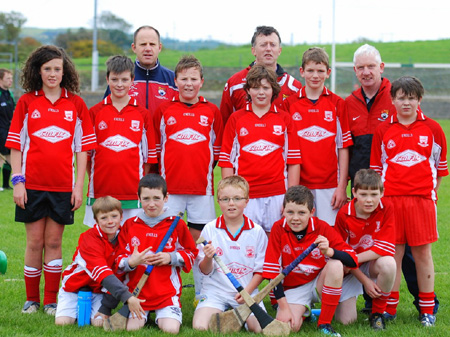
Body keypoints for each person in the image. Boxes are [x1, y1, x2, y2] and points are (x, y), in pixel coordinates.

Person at [345, 43, 438, 316]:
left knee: (413, 252)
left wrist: (428, 193)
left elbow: (436, 166)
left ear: (381, 68)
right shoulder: (349, 102)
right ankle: (377, 303)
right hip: (366, 188)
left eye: (371, 66)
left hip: (403, 189)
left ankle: (425, 304)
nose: (366, 72)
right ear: (354, 71)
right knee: (377, 246)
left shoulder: (396, 95)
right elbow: (346, 148)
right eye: (360, 67)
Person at [5, 45, 96, 315]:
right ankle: (31, 300)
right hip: (31, 186)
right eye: (47, 69)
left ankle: (51, 301)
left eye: (57, 68)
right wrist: (18, 182)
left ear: (64, 70)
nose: (53, 74)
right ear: (38, 71)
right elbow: (16, 147)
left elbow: (83, 150)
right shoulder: (26, 102)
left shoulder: (76, 104)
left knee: (54, 243)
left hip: (62, 188)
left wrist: (78, 186)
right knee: (34, 242)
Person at [370, 76, 448, 327]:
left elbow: (439, 170)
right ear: (392, 100)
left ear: (419, 100)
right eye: (401, 97)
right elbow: (376, 171)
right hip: (391, 201)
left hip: (421, 201)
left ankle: (427, 310)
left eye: (411, 98)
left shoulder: (433, 129)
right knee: (394, 254)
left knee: (423, 253)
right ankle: (389, 308)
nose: (406, 102)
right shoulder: (383, 130)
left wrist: (427, 194)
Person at [263, 185, 357, 337]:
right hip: (294, 288)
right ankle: (307, 312)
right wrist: (284, 306)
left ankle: (324, 323)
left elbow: (353, 259)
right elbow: (272, 273)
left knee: (347, 319)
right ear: (283, 210)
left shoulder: (322, 227)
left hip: (319, 282)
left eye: (302, 213)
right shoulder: (278, 229)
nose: (295, 218)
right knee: (289, 327)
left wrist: (329, 251)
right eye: (290, 212)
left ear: (311, 212)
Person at [219, 65, 301, 233]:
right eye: (256, 88)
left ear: (274, 90)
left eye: (266, 87)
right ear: (248, 90)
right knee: (246, 240)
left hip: (277, 194)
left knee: (275, 240)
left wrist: (290, 199)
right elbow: (227, 161)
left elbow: (293, 162)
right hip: (246, 195)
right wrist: (231, 196)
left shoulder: (284, 119)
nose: (261, 92)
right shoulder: (236, 119)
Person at [114, 174, 198, 333]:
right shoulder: (130, 225)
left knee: (171, 329)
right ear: (138, 198)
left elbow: (192, 253)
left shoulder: (176, 224)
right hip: (137, 292)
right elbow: (118, 259)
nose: (151, 204)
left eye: (156, 198)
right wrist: (132, 262)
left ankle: (164, 312)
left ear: (166, 198)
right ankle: (143, 314)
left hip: (166, 293)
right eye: (146, 199)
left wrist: (171, 257)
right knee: (132, 329)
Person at [153, 55, 223, 241]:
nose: (189, 84)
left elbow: (215, 152)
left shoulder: (212, 111)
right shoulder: (164, 110)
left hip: (201, 188)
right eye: (184, 79)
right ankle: (170, 271)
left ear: (202, 81)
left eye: (193, 79)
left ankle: (197, 271)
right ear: (175, 81)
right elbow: (157, 148)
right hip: (170, 188)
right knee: (166, 237)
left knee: (200, 239)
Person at [84, 55, 157, 226]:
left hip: (132, 193)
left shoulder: (142, 114)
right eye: (114, 79)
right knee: (101, 240)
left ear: (132, 80)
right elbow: (87, 157)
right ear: (107, 79)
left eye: (124, 79)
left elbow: (148, 159)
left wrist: (138, 182)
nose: (119, 84)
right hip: (101, 191)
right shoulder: (95, 112)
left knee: (130, 240)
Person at [282, 47, 352, 226]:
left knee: (330, 238)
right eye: (310, 70)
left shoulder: (337, 104)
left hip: (329, 185)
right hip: (300, 185)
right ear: (302, 72)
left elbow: (343, 147)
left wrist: (342, 186)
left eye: (320, 71)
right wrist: (290, 189)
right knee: (301, 235)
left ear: (328, 73)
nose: (315, 75)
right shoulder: (289, 105)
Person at [192, 175, 268, 332]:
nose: (231, 203)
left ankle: (234, 315)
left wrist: (247, 292)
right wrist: (208, 257)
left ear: (247, 201)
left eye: (237, 198)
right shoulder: (210, 229)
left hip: (247, 291)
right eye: (225, 199)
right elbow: (204, 270)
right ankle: (229, 313)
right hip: (216, 291)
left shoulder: (257, 231)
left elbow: (260, 271)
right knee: (200, 327)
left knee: (259, 329)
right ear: (218, 201)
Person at [55, 196, 145, 326]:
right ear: (96, 220)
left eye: (114, 216)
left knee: (98, 323)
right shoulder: (89, 239)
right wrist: (128, 297)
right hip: (74, 287)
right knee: (63, 323)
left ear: (121, 217)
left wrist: (106, 307)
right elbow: (103, 273)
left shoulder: (124, 238)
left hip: (99, 290)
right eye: (104, 218)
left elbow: (119, 274)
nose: (110, 221)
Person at [334, 169, 396, 330]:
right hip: (350, 269)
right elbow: (342, 256)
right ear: (354, 192)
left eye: (374, 194)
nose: (369, 200)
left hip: (366, 262)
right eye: (363, 194)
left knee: (389, 263)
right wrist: (365, 281)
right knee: (346, 321)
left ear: (382, 193)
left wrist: (354, 259)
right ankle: (328, 306)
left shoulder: (387, 208)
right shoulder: (343, 214)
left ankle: (377, 314)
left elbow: (384, 248)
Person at [220, 26, 301, 125]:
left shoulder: (294, 87)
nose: (268, 49)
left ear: (279, 50)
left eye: (273, 45)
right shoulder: (234, 84)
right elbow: (224, 125)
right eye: (263, 45)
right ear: (253, 50)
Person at [104, 26, 177, 114]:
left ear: (159, 47)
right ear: (134, 47)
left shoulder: (173, 80)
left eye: (152, 44)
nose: (148, 49)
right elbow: (105, 113)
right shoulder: (120, 79)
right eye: (143, 44)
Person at [0, 68, 15, 191]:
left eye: (11, 78)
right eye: (8, 78)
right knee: (8, 158)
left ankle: (5, 185)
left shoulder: (9, 94)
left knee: (8, 157)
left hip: (7, 131)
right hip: (1, 131)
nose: (10, 81)